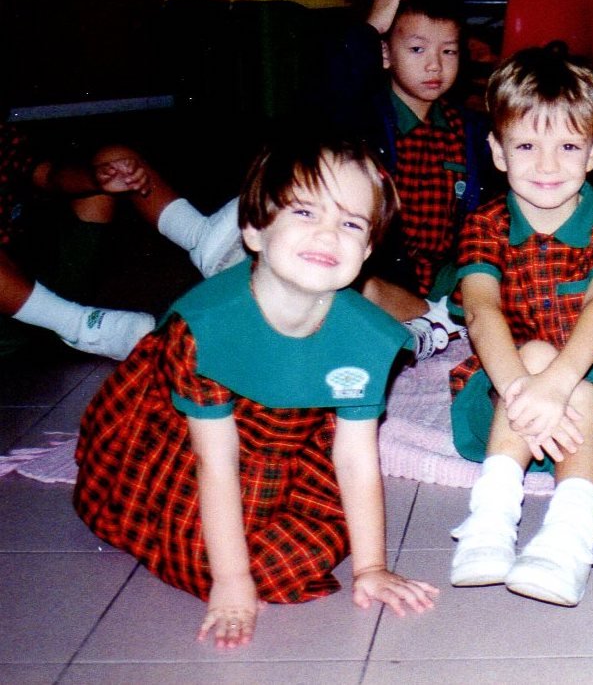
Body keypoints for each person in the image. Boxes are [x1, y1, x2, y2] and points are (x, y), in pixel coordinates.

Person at [73, 134, 439, 648]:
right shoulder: (204, 329)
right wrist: (231, 583)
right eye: (306, 213)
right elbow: (215, 463)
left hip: (289, 434)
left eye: (351, 223)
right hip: (183, 438)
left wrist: (372, 567)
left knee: (307, 550)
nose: (329, 235)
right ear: (254, 230)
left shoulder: (368, 335)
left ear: (369, 249)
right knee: (224, 561)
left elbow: (356, 458)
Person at [93, 0, 492, 359]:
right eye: (418, 49)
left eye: (449, 50)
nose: (435, 66)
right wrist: (366, 33)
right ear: (385, 54)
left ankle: (426, 321)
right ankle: (180, 337)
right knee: (322, 300)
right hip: (362, 269)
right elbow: (327, 96)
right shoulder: (365, 116)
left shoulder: (466, 129)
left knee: (476, 291)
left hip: (430, 278)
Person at [446, 45, 593, 606]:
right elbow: (481, 310)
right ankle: (491, 520)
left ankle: (569, 537)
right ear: (497, 151)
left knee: (557, 363)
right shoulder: (485, 223)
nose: (547, 166)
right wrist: (526, 390)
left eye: (568, 146)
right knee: (538, 351)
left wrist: (554, 386)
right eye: (526, 146)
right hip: (504, 400)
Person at [0, 119, 154, 361]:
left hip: (26, 296)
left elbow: (49, 175)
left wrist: (97, 178)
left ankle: (201, 240)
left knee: (105, 176)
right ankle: (77, 325)